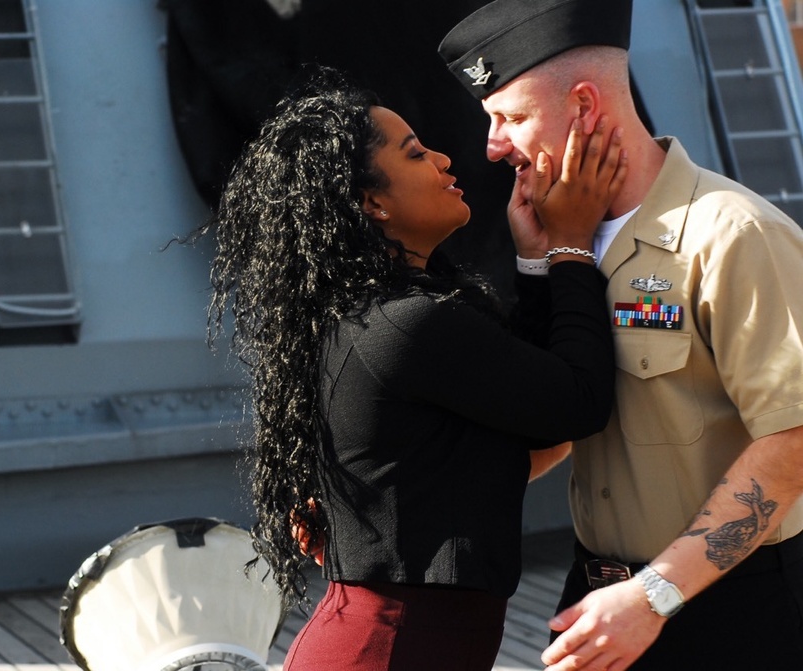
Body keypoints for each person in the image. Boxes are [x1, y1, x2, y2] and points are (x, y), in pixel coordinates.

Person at [200, 67, 626, 670]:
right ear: (372, 202)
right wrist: (572, 247)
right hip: (391, 651)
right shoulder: (409, 323)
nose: (446, 159)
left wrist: (535, 261)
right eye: (416, 153)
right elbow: (577, 401)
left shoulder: (375, 318)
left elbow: (529, 406)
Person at [437, 1, 803, 669]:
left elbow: (793, 436)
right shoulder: (561, 244)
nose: (492, 146)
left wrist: (653, 594)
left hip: (721, 606)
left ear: (584, 105)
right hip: (604, 599)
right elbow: (552, 420)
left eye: (511, 118)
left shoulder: (728, 235)